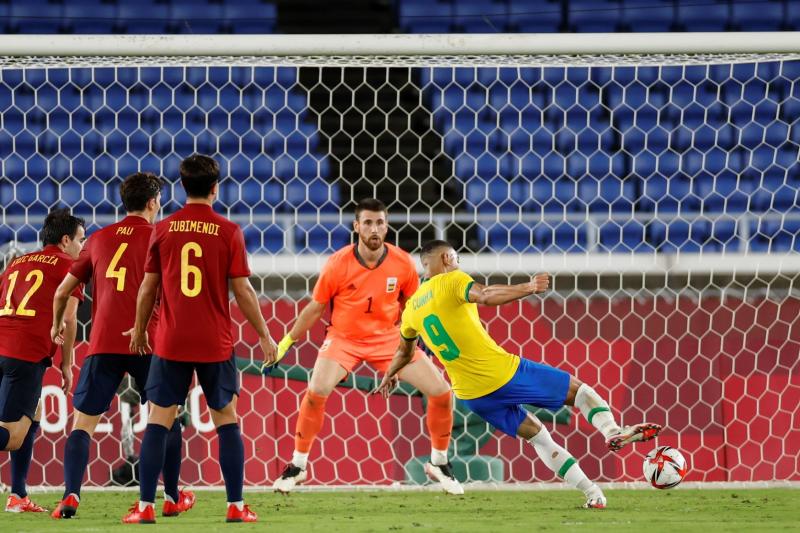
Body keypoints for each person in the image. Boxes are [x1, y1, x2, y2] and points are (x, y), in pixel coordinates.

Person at [374, 240, 663, 508]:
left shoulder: (411, 308)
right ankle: (612, 430)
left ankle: (593, 494)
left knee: (539, 438)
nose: (459, 263)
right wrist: (528, 287)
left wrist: (390, 374)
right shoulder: (451, 280)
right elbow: (485, 295)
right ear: (447, 258)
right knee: (579, 391)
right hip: (502, 372)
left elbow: (404, 352)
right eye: (457, 258)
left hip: (472, 395)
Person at [123, 154, 277, 524]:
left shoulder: (162, 230)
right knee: (227, 420)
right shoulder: (228, 232)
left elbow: (147, 288)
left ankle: (145, 507)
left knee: (158, 421)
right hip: (215, 342)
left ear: (182, 187)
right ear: (215, 188)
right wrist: (265, 336)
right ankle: (236, 506)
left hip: (171, 341)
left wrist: (141, 329)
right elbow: (242, 291)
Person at [270, 199, 462, 495]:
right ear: (357, 227)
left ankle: (438, 461)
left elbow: (413, 309)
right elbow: (315, 308)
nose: (375, 229)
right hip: (343, 339)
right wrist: (286, 341)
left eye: (380, 223)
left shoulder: (401, 263)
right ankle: (298, 465)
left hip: (388, 340)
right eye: (368, 223)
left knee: (441, 391)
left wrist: (403, 354)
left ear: (387, 227)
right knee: (316, 391)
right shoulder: (338, 263)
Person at [50, 172, 194, 519]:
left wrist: (56, 325)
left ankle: (70, 496)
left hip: (103, 342)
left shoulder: (98, 239)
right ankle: (172, 496)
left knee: (82, 424)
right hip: (149, 341)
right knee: (168, 419)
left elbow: (61, 291)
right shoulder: (161, 236)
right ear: (152, 203)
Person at [0, 208, 85, 513]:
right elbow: (71, 318)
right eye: (80, 239)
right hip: (23, 353)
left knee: (34, 410)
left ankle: (18, 494)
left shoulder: (16, 262)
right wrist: (66, 363)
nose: (83, 247)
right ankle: (17, 495)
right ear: (65, 240)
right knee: (10, 437)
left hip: (4, 345)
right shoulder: (71, 266)